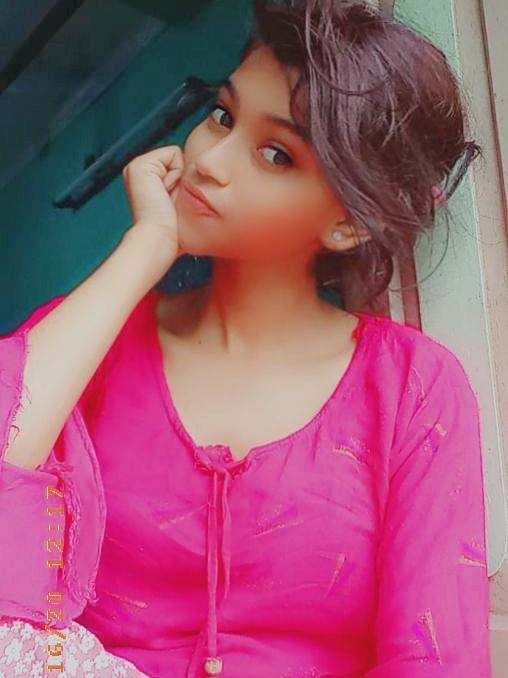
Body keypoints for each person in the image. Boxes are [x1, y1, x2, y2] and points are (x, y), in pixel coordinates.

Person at [0, 1, 492, 676]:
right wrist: (146, 248)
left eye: (274, 154)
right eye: (222, 116)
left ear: (347, 225)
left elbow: (435, 659)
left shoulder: (412, 386)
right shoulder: (94, 339)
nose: (210, 160)